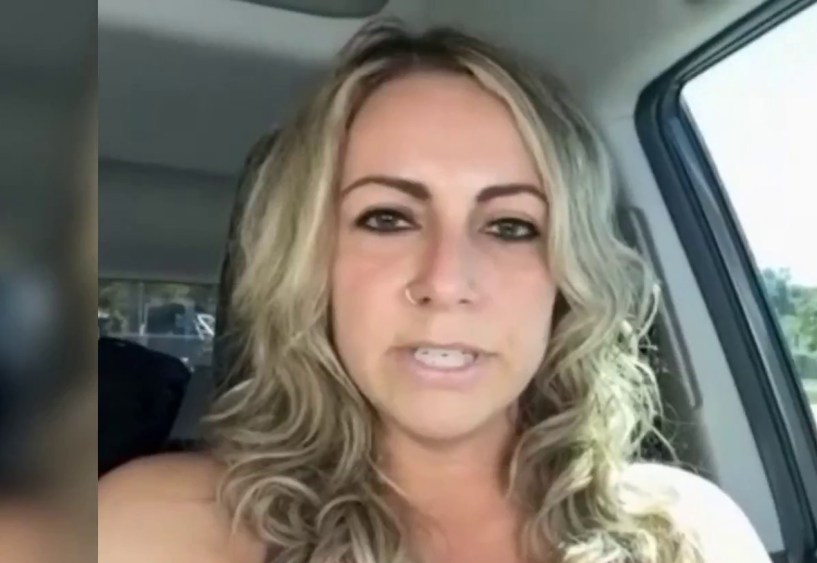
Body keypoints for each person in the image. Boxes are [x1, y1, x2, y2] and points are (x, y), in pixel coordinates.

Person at [98, 20, 770, 563]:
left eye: (511, 226)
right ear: (313, 264)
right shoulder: (151, 529)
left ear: (568, 277)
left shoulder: (689, 534)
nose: (446, 282)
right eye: (387, 218)